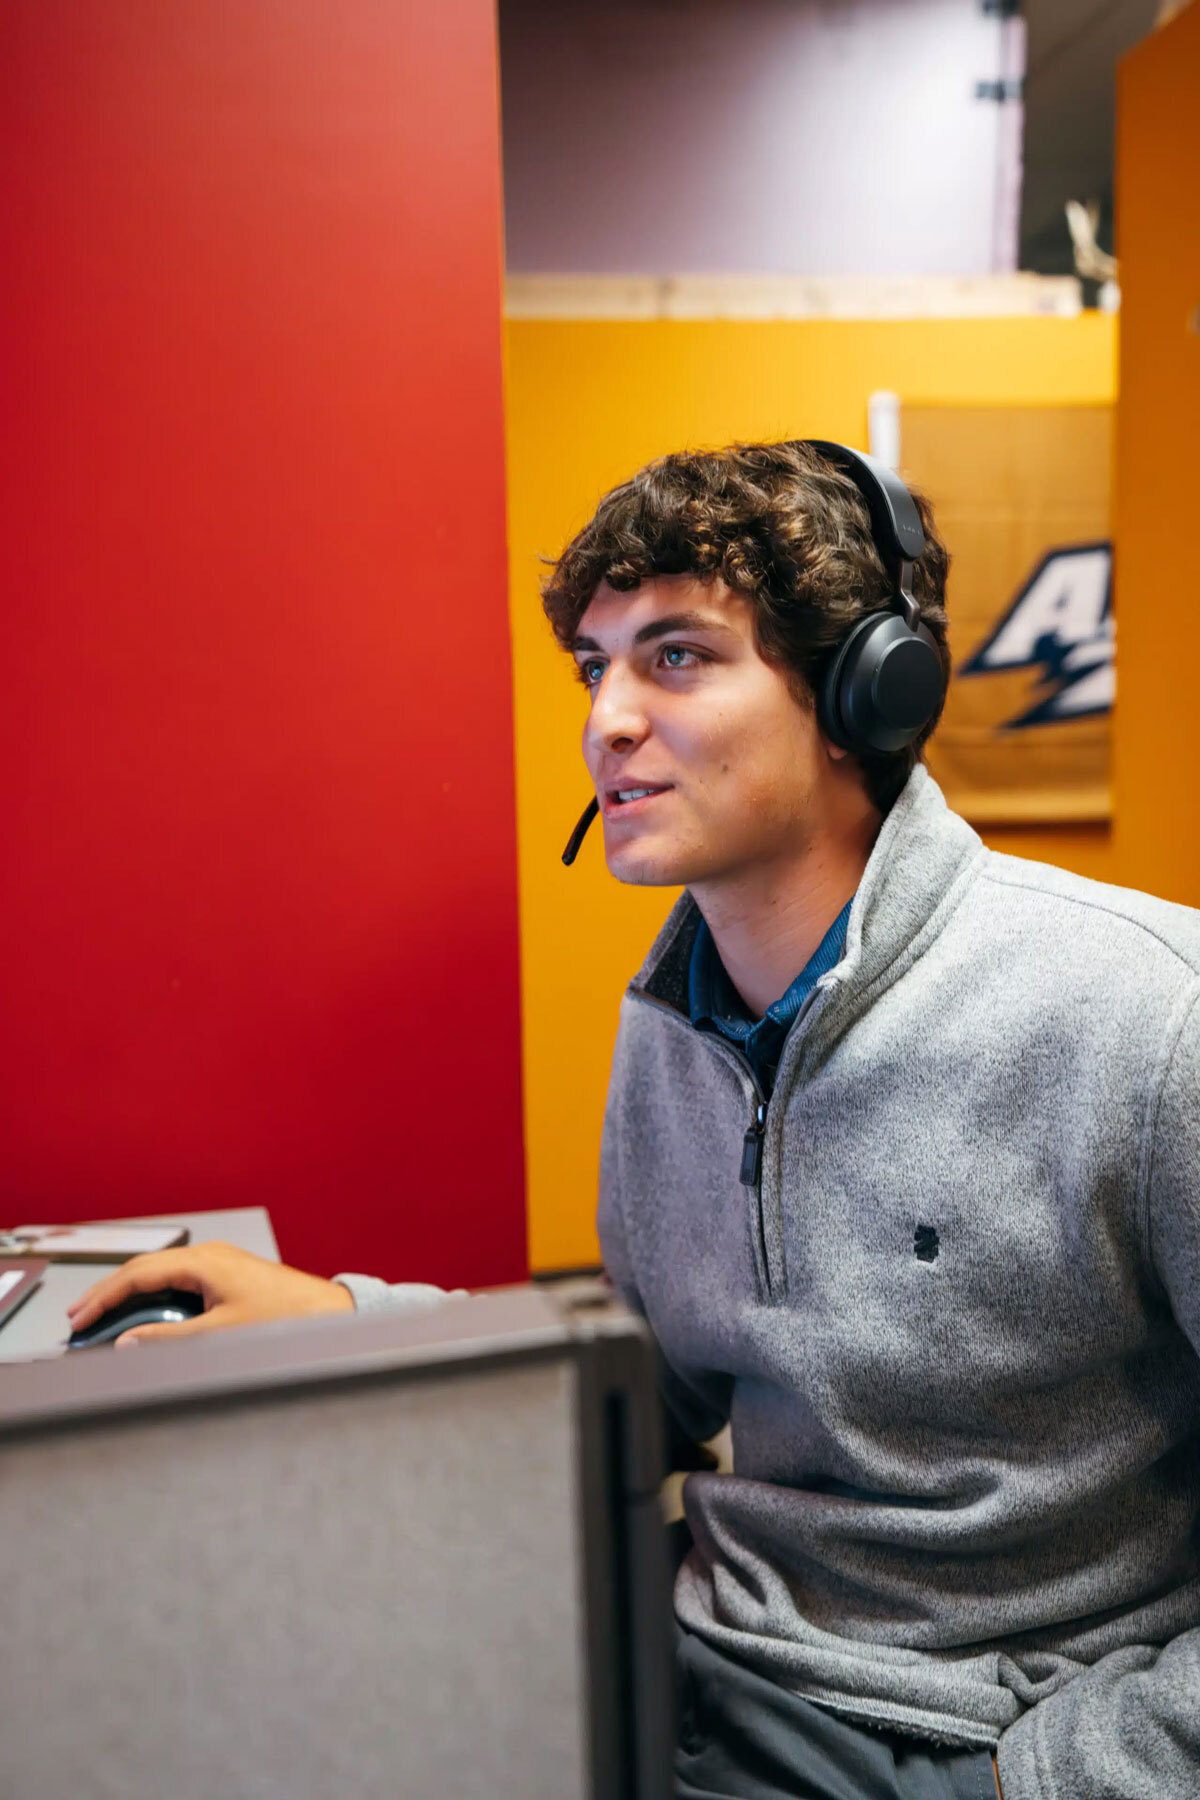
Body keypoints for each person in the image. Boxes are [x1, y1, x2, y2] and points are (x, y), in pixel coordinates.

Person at [68, 442, 1200, 1800]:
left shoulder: (1143, 1016)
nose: (606, 718)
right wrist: (347, 1325)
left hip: (974, 1741)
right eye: (595, 667)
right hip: (712, 1663)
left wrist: (1062, 1776)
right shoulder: (675, 1019)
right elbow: (653, 1386)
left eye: (675, 657)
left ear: (867, 696)